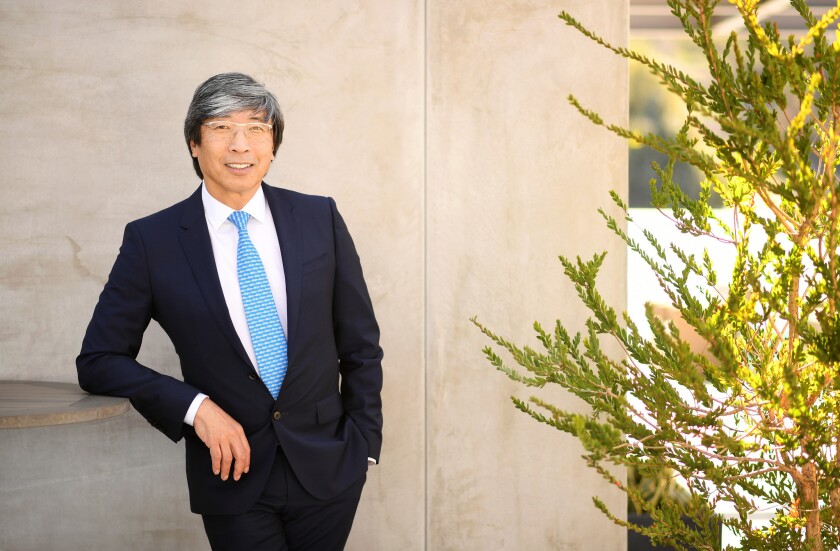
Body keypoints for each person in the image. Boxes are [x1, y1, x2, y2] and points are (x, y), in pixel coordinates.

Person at [76, 72, 383, 551]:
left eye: (257, 129)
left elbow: (360, 343)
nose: (241, 144)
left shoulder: (319, 218)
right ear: (195, 144)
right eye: (222, 127)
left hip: (330, 467)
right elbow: (98, 360)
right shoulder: (152, 242)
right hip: (232, 474)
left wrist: (364, 446)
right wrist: (196, 409)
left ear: (273, 146)